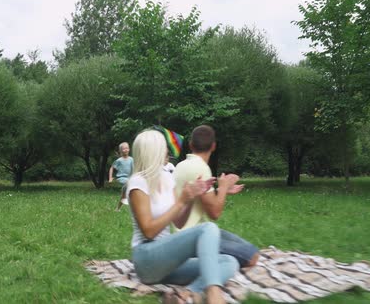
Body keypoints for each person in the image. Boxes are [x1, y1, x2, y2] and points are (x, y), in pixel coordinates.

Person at [127, 129, 239, 304]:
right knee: (208, 228)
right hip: (147, 259)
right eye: (163, 147)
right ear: (153, 151)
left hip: (167, 261)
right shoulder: (137, 183)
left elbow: (178, 221)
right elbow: (148, 231)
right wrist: (181, 201)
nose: (167, 151)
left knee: (229, 262)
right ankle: (213, 294)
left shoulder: (166, 177)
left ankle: (185, 294)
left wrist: (191, 197)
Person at [173, 125, 260, 268]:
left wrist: (221, 190)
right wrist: (224, 187)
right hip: (195, 238)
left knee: (249, 248)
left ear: (190, 145)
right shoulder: (201, 168)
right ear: (213, 146)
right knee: (252, 256)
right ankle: (204, 259)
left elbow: (200, 198)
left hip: (185, 233)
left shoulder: (181, 165)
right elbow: (214, 213)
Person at [109, 142, 133, 211]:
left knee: (123, 196)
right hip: (121, 178)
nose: (126, 150)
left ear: (129, 149)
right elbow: (112, 168)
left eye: (127, 148)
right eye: (124, 148)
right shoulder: (119, 160)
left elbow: (134, 168)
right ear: (120, 151)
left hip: (129, 179)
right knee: (129, 185)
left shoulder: (131, 159)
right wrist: (110, 178)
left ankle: (117, 208)